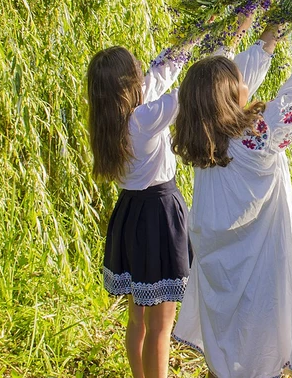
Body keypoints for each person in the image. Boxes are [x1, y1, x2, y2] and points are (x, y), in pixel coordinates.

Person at [170, 4, 292, 378]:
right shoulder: (258, 139)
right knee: (258, 336)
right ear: (232, 95)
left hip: (217, 255)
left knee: (226, 335)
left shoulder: (203, 134)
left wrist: (270, 30)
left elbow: (219, 79)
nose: (244, 80)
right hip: (254, 257)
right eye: (238, 82)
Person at [87, 32, 204, 378]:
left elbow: (161, 75)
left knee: (137, 316)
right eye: (136, 72)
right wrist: (220, 51)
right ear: (127, 87)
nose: (143, 73)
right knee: (161, 324)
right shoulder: (143, 120)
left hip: (130, 216)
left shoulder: (110, 120)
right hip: (158, 216)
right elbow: (187, 94)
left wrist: (196, 35)